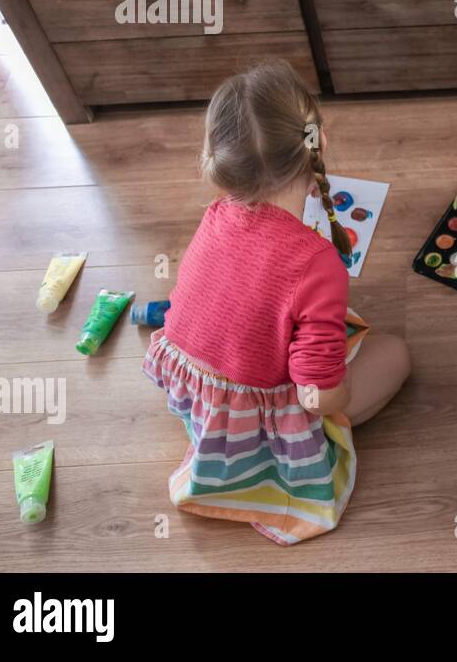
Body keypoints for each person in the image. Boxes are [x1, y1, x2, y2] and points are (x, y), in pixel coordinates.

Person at [142, 60, 411, 543]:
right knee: (396, 355)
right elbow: (317, 394)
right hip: (255, 425)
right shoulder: (318, 263)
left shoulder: (217, 213)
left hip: (196, 393)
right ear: (318, 145)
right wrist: (336, 402)